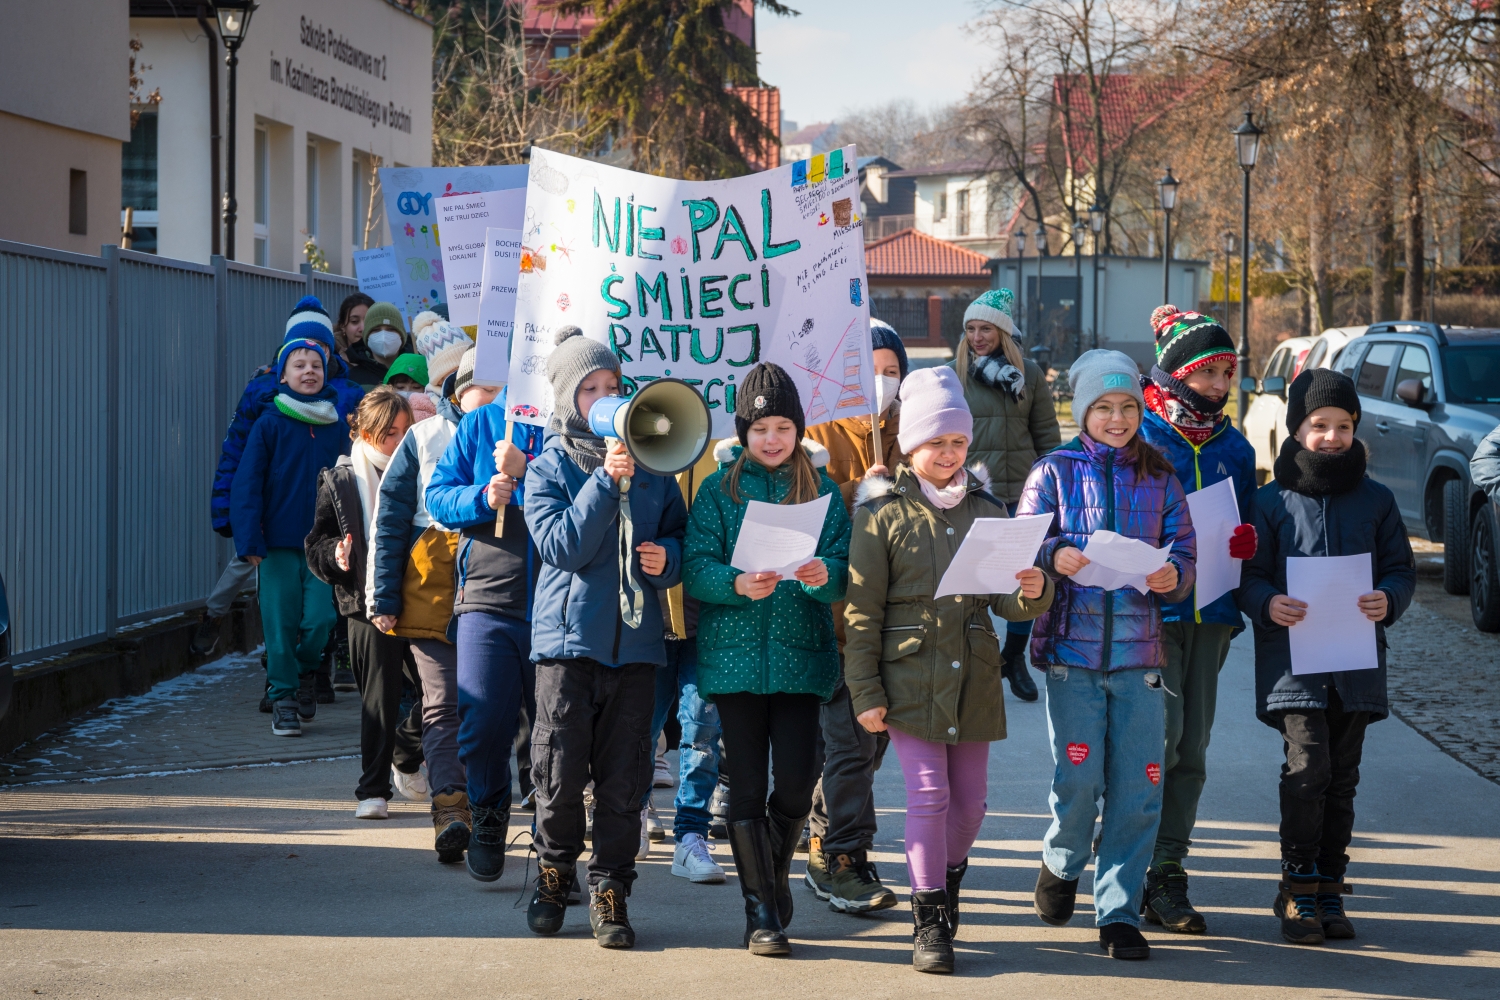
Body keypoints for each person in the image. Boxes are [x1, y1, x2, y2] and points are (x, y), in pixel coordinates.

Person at [843, 365, 1054, 973]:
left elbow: (1006, 600)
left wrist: (1034, 589)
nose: (949, 452)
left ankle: (948, 873)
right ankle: (929, 915)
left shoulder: (988, 508)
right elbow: (862, 611)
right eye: (936, 441)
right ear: (912, 444)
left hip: (973, 676)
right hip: (908, 674)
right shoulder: (880, 513)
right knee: (929, 795)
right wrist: (865, 690)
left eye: (958, 440)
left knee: (972, 806)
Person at [1018, 349, 1196, 961]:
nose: (1117, 419)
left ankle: (1118, 912)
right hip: (1072, 655)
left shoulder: (1161, 475)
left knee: (1139, 788)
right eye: (1103, 407)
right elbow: (1024, 539)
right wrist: (1052, 554)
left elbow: (1185, 550)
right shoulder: (1053, 472)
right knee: (1079, 778)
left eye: (1127, 407)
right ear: (1082, 410)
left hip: (1140, 659)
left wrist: (1175, 574)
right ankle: (1062, 858)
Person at [516, 328, 686, 949]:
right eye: (591, 388)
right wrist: (605, 483)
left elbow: (680, 538)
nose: (606, 395)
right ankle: (554, 875)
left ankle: (612, 889)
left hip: (636, 648)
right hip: (567, 650)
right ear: (568, 399)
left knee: (624, 781)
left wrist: (666, 560)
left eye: (614, 384)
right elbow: (561, 545)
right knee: (559, 775)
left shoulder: (655, 468)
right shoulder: (548, 468)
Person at [1238, 368, 1414, 946]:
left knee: (1341, 779)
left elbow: (1400, 568)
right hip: (1294, 665)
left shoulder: (1378, 499)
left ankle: (1331, 886)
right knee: (1307, 769)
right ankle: (1297, 885)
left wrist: (1389, 598)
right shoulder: (1270, 501)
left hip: (1357, 665)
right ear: (1296, 429)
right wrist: (1268, 603)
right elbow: (1250, 577)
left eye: (1343, 425)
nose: (1332, 436)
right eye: (1319, 425)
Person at [683, 362, 851, 958]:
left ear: (799, 429)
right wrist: (734, 583)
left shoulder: (822, 490)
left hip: (801, 659)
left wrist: (826, 575)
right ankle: (761, 913)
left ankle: (773, 879)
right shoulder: (718, 489)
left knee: (798, 784)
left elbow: (843, 566)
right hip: (734, 663)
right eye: (760, 428)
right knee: (748, 786)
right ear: (743, 432)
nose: (772, 438)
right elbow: (695, 567)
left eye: (782, 426)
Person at [1135, 306, 1259, 933]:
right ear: (1176, 374)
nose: (1218, 385)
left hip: (1212, 612)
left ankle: (1167, 868)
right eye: (1206, 372)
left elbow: (1251, 521)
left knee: (1191, 748)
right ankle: (1129, 860)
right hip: (1149, 613)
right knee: (1155, 743)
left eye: (1226, 373)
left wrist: (1248, 542)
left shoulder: (1237, 447)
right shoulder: (1142, 438)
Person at [422, 348, 547, 884]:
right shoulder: (480, 424)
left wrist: (529, 473)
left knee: (554, 732)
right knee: (483, 722)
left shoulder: (573, 428)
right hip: (486, 598)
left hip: (556, 601)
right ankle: (490, 818)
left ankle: (553, 843)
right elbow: (437, 497)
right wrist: (483, 495)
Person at [798, 318, 907, 913]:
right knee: (849, 746)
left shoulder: (912, 432)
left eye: (892, 372)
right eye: (870, 371)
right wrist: (855, 492)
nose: (881, 382)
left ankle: (823, 833)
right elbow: (800, 519)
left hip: (894, 626)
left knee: (872, 745)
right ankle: (841, 856)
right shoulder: (814, 432)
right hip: (836, 623)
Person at [198, 297, 365, 660]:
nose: (311, 359)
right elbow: (237, 450)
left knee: (319, 607)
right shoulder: (264, 390)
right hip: (275, 512)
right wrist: (228, 509)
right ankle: (222, 620)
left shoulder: (348, 393)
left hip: (321, 518)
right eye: (302, 352)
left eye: (320, 347)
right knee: (268, 591)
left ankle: (309, 669)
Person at [303, 388, 439, 832]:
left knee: (441, 691)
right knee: (379, 699)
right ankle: (372, 790)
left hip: (421, 597)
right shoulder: (340, 479)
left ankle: (406, 750)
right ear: (363, 433)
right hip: (365, 604)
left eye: (404, 431)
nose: (398, 442)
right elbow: (316, 543)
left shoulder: (425, 466)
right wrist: (335, 555)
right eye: (387, 434)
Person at [230, 336, 351, 738]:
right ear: (282, 376)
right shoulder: (269, 423)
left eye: (316, 365)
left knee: (320, 620)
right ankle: (283, 697)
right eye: (299, 365)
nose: (308, 371)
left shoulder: (337, 426)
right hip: (276, 545)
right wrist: (249, 540)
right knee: (279, 627)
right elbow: (247, 484)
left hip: (325, 546)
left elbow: (352, 483)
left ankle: (302, 673)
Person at [948, 288, 1062, 703]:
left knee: (1023, 578)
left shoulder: (1027, 374)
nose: (977, 337)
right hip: (971, 494)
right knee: (969, 578)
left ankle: (1013, 656)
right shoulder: (953, 374)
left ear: (1002, 332)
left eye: (986, 329)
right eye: (971, 329)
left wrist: (1054, 484)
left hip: (1023, 493)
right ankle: (967, 659)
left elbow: (1046, 434)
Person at [343, 301, 413, 386]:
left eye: (390, 329)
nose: (383, 336)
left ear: (401, 335)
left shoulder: (418, 370)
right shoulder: (353, 378)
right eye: (376, 330)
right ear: (367, 337)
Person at [333, 292, 375, 383]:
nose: (363, 328)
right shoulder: (331, 358)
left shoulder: (388, 356)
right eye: (355, 321)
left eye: (368, 321)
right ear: (342, 326)